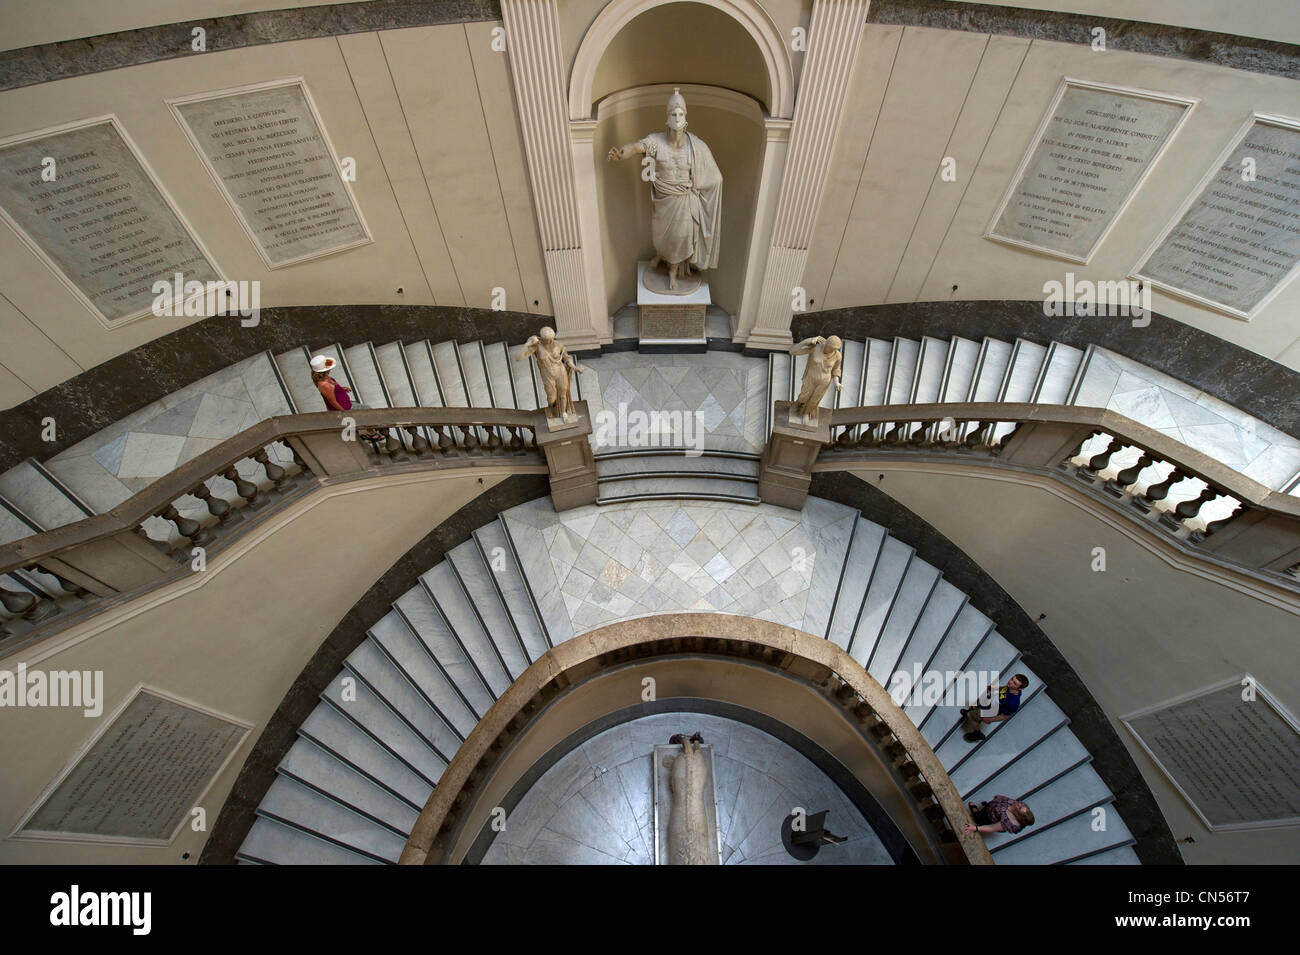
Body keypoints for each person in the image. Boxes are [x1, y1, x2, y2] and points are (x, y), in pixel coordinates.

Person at [606, 88, 723, 292]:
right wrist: (624, 152)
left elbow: (716, 176)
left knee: (680, 237)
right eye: (673, 114)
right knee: (660, 236)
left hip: (685, 200)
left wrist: (700, 187)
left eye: (680, 114)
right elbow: (636, 147)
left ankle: (672, 271)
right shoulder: (656, 142)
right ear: (667, 117)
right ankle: (661, 255)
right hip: (663, 199)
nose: (677, 118)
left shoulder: (697, 146)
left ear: (686, 116)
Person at [311, 354, 384, 443]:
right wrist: (345, 413)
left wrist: (342, 389)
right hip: (344, 407)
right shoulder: (324, 385)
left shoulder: (327, 378)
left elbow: (334, 389)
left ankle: (370, 431)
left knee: (364, 412)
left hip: (346, 402)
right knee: (367, 411)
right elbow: (332, 401)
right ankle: (370, 433)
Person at [960, 673, 1028, 742]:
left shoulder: (1013, 703)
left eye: (1015, 683)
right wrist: (994, 688)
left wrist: (991, 719)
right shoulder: (1010, 687)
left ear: (1020, 688)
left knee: (971, 715)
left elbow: (1005, 716)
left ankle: (977, 733)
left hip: (993, 710)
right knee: (978, 704)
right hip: (993, 702)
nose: (1010, 682)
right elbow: (1004, 689)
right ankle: (974, 713)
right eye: (1012, 679)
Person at [963, 795, 1034, 837]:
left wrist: (975, 828)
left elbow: (991, 827)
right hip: (993, 809)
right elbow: (1010, 800)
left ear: (1018, 815)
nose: (1019, 804)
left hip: (989, 818)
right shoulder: (1023, 806)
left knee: (979, 818)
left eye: (1020, 807)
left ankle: (976, 814)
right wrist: (1000, 797)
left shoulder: (1008, 822)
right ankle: (980, 812)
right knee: (985, 810)